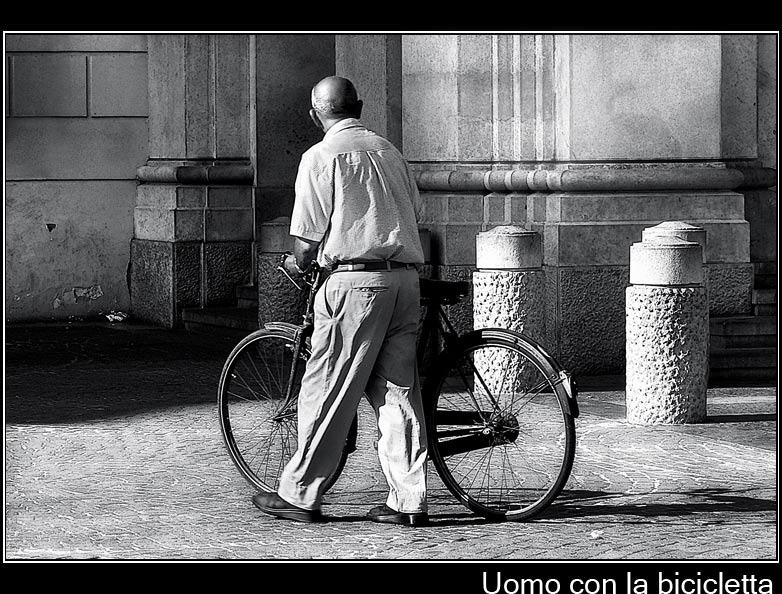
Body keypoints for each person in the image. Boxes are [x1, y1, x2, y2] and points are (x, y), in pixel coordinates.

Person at [252, 76, 429, 527]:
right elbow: (415, 213)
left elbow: (306, 239)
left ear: (315, 115)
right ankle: (408, 501)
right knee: (398, 393)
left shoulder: (320, 156)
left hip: (354, 284)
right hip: (404, 280)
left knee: (328, 388)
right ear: (360, 107)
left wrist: (299, 262)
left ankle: (300, 494)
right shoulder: (391, 153)